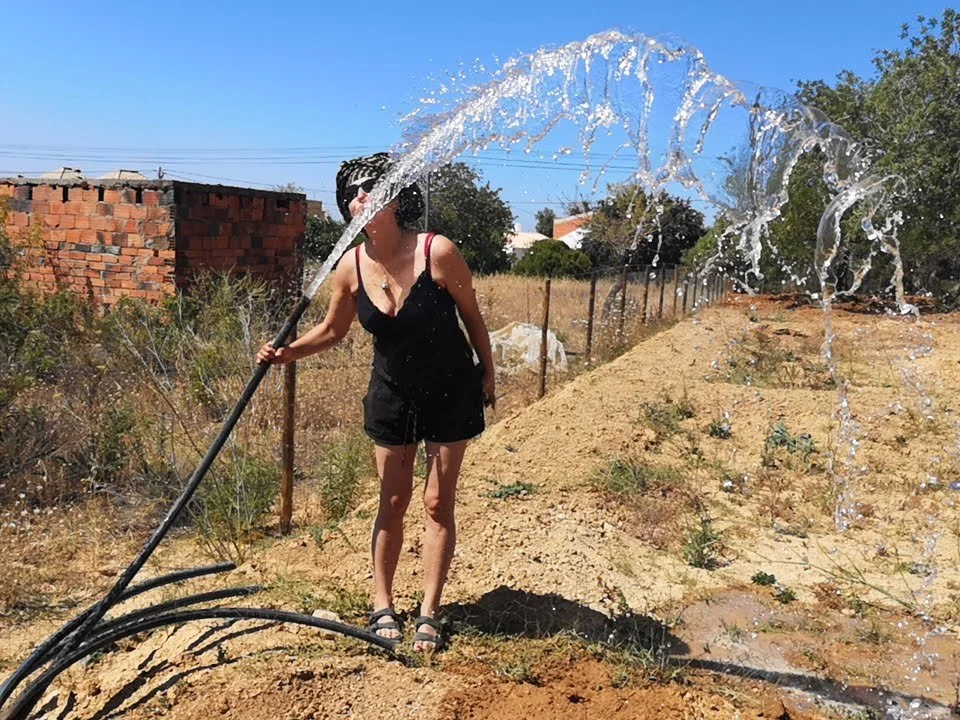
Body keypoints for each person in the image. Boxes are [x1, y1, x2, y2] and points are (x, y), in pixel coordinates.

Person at [256, 153, 496, 652]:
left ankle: (429, 610)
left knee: (436, 502)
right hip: (391, 395)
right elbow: (331, 331)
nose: (358, 198)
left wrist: (487, 373)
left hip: (451, 391)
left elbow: (472, 318)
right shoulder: (350, 266)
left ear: (395, 199)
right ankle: (382, 603)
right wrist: (285, 353)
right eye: (351, 193)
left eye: (370, 189)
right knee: (391, 502)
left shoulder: (439, 252)